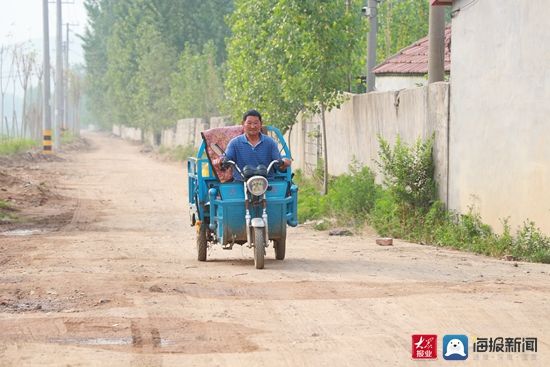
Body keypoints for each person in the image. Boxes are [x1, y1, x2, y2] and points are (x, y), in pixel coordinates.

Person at [222, 109, 291, 181]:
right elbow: (226, 158)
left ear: (261, 124)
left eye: (256, 123)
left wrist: (284, 163)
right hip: (241, 183)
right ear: (243, 124)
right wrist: (221, 161)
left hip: (267, 182)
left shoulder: (270, 142)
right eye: (249, 123)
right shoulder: (234, 143)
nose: (252, 126)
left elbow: (277, 164)